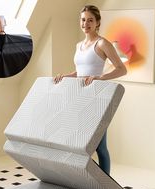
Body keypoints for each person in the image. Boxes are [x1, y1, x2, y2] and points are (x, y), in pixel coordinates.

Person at [53, 5, 127, 175]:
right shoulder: (79, 44)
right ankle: (84, 182)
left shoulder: (102, 43)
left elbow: (121, 69)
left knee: (100, 146)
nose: (85, 23)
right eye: (83, 19)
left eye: (90, 20)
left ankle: (105, 187)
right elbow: (80, 72)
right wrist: (65, 76)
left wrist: (100, 78)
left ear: (97, 23)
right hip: (78, 98)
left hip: (96, 98)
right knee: (79, 144)